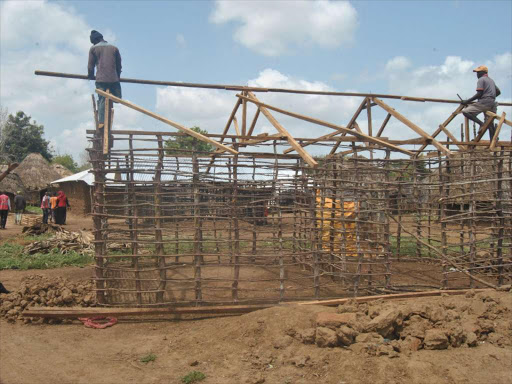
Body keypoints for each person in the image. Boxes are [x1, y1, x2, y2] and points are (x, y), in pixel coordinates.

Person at [87, 30, 122, 127]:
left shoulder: (93, 49)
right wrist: (117, 76)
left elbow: (90, 66)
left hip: (101, 79)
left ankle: (101, 122)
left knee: (102, 99)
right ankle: (112, 96)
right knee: (118, 98)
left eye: (94, 41)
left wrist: (90, 75)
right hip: (114, 79)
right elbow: (119, 65)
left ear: (97, 39)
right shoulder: (114, 48)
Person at [461, 65, 501, 140]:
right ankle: (492, 144)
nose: (477, 74)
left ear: (483, 72)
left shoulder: (481, 80)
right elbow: (498, 92)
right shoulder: (491, 80)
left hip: (484, 102)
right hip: (492, 103)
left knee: (465, 111)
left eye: (478, 73)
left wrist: (467, 101)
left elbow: (479, 94)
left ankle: (481, 124)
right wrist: (491, 96)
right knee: (490, 123)